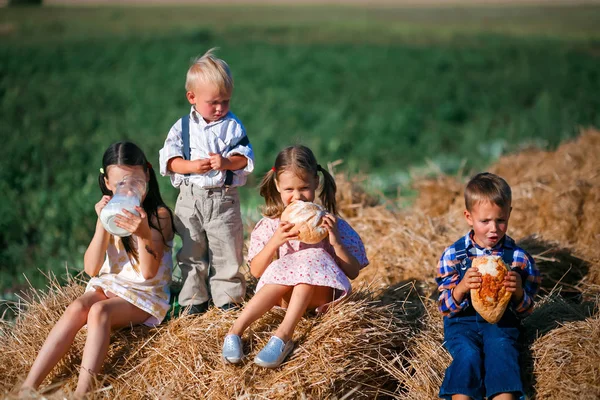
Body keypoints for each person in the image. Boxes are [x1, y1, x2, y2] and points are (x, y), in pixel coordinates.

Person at [21, 141, 175, 396]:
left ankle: (83, 392)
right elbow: (91, 269)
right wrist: (102, 224)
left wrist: (144, 232)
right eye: (119, 184)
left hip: (145, 294)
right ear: (106, 183)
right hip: (112, 285)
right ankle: (28, 386)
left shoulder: (159, 216)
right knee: (77, 307)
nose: (127, 189)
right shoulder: (110, 214)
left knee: (99, 312)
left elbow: (148, 273)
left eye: (134, 181)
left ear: (147, 176)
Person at [221, 145, 369, 368]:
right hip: (283, 297)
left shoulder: (331, 224)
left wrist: (335, 240)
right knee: (287, 271)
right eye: (289, 189)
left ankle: (283, 336)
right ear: (278, 186)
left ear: (316, 183)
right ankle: (234, 332)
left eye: (304, 188)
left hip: (321, 297)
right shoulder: (271, 226)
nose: (297, 196)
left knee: (310, 260)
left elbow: (353, 272)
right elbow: (256, 272)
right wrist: (275, 242)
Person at [159, 48, 254, 315]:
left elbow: (244, 158)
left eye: (226, 101)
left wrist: (226, 163)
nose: (220, 108)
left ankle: (228, 299)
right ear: (192, 97)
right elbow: (170, 161)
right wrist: (190, 166)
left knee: (227, 250)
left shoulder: (233, 126)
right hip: (190, 198)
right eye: (213, 102)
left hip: (222, 199)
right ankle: (193, 299)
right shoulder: (182, 127)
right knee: (191, 251)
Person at [435, 172, 541, 400]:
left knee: (501, 350)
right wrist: (461, 287)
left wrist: (518, 292)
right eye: (485, 221)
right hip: (462, 324)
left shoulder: (518, 259)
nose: (494, 228)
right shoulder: (453, 255)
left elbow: (529, 309)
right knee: (467, 355)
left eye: (501, 220)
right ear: (468, 217)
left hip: (501, 323)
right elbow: (444, 307)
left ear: (509, 214)